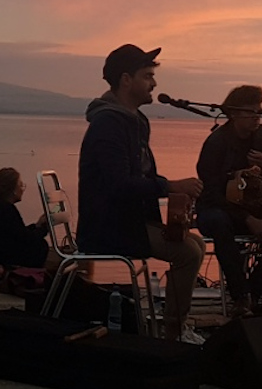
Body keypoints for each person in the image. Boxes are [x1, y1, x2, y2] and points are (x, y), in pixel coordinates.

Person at [76, 44, 205, 343]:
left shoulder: (135, 121)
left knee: (194, 243)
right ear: (126, 80)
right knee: (187, 253)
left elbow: (142, 177)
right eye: (147, 76)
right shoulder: (108, 124)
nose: (154, 83)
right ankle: (173, 331)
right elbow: (119, 186)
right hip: (108, 228)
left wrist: (177, 202)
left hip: (130, 220)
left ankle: (173, 326)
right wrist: (171, 186)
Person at [195, 85, 262, 316]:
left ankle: (254, 288)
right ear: (233, 114)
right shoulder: (216, 143)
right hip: (217, 208)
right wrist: (247, 218)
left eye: (260, 110)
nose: (258, 117)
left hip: (254, 205)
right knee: (220, 223)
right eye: (251, 111)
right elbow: (211, 192)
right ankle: (240, 296)